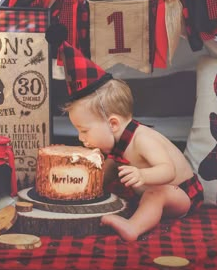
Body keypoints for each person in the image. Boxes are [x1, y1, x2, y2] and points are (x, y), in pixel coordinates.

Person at [46, 24, 204, 242]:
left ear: (112, 123)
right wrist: (90, 185)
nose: (80, 137)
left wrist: (143, 175)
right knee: (145, 192)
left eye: (84, 130)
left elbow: (167, 170)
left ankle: (133, 227)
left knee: (155, 193)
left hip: (181, 193)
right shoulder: (118, 143)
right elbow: (109, 169)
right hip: (158, 191)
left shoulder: (142, 139)